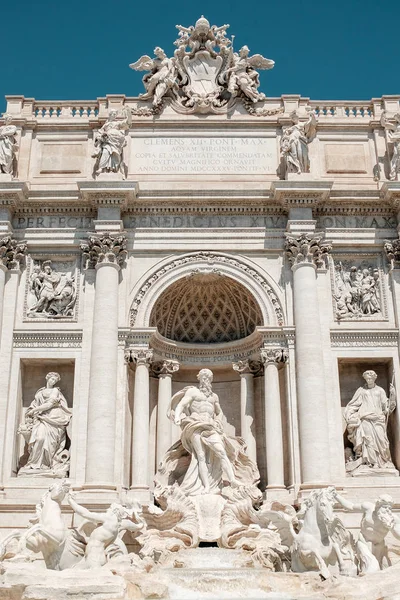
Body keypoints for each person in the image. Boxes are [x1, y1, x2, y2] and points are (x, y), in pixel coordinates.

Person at [156, 368, 259, 496]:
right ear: (199, 379)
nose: (206, 380)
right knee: (200, 456)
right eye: (204, 377)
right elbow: (181, 405)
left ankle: (232, 480)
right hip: (195, 425)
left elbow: (219, 412)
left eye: (209, 378)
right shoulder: (192, 392)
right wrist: (177, 416)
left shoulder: (214, 397)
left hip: (210, 427)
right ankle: (206, 487)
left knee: (221, 452)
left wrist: (219, 421)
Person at [67, 494, 143, 568]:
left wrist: (70, 501)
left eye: (110, 508)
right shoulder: (117, 526)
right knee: (72, 572)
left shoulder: (108, 518)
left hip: (94, 556)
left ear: (115, 510)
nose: (107, 509)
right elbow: (138, 526)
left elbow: (85, 513)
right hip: (92, 556)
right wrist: (81, 538)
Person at [18, 372, 72, 476]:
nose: (53, 381)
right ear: (47, 379)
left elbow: (49, 404)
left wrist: (35, 410)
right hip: (41, 419)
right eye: (52, 379)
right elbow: (34, 405)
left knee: (50, 443)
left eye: (55, 381)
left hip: (53, 418)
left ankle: (46, 465)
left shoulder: (55, 391)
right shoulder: (40, 392)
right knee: (39, 438)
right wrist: (31, 411)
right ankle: (34, 464)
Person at [334, 491, 400, 573]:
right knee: (373, 567)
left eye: (389, 508)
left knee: (382, 568)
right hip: (364, 543)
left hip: (379, 546)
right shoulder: (368, 508)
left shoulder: (393, 519)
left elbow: (398, 535)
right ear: (378, 506)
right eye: (385, 507)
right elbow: (350, 506)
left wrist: (392, 528)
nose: (387, 510)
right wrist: (336, 496)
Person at [344, 370, 396, 474]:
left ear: (374, 378)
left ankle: (383, 461)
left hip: (378, 419)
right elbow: (353, 404)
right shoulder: (361, 391)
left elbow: (386, 408)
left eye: (370, 378)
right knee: (368, 442)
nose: (369, 380)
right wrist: (350, 414)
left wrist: (393, 395)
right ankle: (372, 463)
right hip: (365, 419)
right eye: (367, 378)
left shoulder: (380, 391)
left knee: (382, 441)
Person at [92, 109, 129, 177]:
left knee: (115, 154)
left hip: (116, 141)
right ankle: (102, 168)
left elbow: (125, 123)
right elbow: (99, 133)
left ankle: (113, 169)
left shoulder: (117, 123)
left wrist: (128, 115)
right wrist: (101, 137)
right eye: (113, 114)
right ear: (110, 114)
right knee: (105, 152)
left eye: (115, 114)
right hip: (107, 141)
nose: (114, 115)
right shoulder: (106, 124)